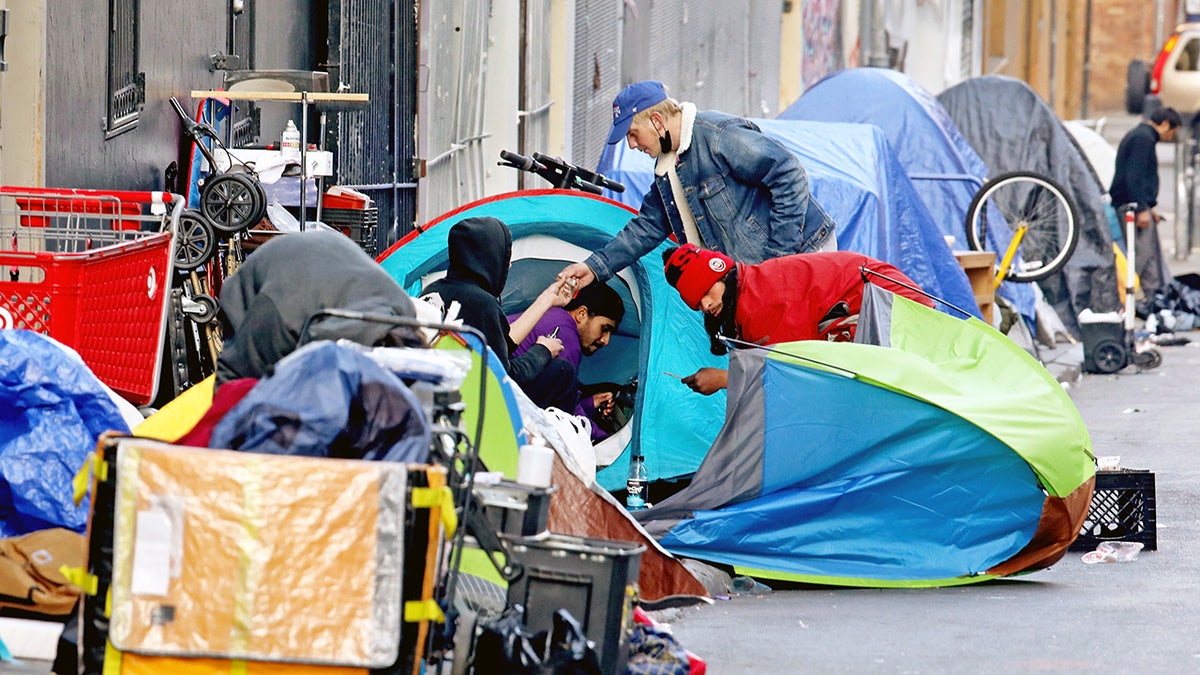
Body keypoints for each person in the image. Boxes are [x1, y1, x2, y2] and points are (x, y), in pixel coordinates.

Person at [559, 80, 837, 290]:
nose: (632, 145)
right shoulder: (668, 169)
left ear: (657, 121)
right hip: (755, 277)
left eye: (633, 133)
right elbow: (646, 228)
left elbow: (789, 175)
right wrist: (594, 267)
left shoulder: (717, 136)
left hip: (803, 255)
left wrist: (779, 260)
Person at [662, 243, 934, 394]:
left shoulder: (763, 302)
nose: (706, 305)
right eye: (697, 303)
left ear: (722, 275)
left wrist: (723, 379)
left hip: (894, 311)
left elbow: (796, 370)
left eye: (707, 292)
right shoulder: (748, 289)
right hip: (883, 305)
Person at [419, 216, 578, 409]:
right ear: (489, 257)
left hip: (436, 394)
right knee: (562, 371)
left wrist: (548, 299)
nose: (509, 265)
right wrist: (543, 350)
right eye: (504, 257)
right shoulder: (481, 303)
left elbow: (500, 345)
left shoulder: (432, 291)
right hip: (478, 405)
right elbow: (504, 378)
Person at [510, 282, 626, 440]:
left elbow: (561, 398)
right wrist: (606, 440)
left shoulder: (554, 317)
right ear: (582, 314)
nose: (606, 341)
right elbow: (567, 416)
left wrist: (590, 404)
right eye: (604, 329)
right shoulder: (565, 334)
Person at [1109, 106, 1181, 297]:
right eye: (1172, 132)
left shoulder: (1142, 136)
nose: (1171, 137)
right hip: (1131, 205)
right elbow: (1135, 176)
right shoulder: (1143, 139)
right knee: (1140, 254)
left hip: (1135, 204)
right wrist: (1141, 208)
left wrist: (1150, 207)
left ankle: (1154, 296)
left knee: (1148, 254)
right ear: (1165, 124)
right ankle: (1125, 292)